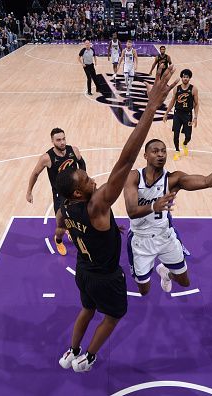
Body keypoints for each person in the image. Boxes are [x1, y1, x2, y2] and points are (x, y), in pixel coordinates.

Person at [56, 65, 178, 373]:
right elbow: (126, 159)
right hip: (105, 276)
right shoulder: (97, 204)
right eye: (84, 180)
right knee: (112, 316)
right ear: (79, 194)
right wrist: (150, 108)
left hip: (83, 271)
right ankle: (89, 357)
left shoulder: (66, 207)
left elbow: (76, 226)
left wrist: (109, 230)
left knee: (87, 308)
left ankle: (71, 351)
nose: (90, 179)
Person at [124, 137, 212, 295]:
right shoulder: (134, 176)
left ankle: (166, 273)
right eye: (155, 151)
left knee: (184, 282)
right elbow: (132, 211)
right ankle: (153, 274)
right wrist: (155, 206)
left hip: (165, 237)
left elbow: (208, 181)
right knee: (144, 291)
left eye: (163, 151)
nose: (161, 154)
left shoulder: (174, 179)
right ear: (145, 156)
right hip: (140, 241)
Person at [26, 128, 86, 255]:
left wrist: (83, 179)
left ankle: (72, 231)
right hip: (60, 195)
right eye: (58, 140)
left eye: (64, 139)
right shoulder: (46, 158)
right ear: (52, 141)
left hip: (75, 192)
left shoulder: (73, 150)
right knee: (61, 225)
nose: (62, 142)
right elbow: (35, 174)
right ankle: (58, 240)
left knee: (79, 217)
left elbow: (81, 162)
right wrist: (29, 191)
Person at [163, 69, 199, 160]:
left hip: (188, 115)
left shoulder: (193, 89)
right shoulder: (177, 89)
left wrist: (195, 117)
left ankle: (185, 144)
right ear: (181, 78)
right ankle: (177, 151)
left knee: (188, 136)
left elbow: (196, 104)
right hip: (177, 114)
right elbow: (172, 102)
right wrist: (166, 113)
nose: (185, 78)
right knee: (176, 133)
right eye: (183, 77)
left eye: (187, 77)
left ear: (189, 78)